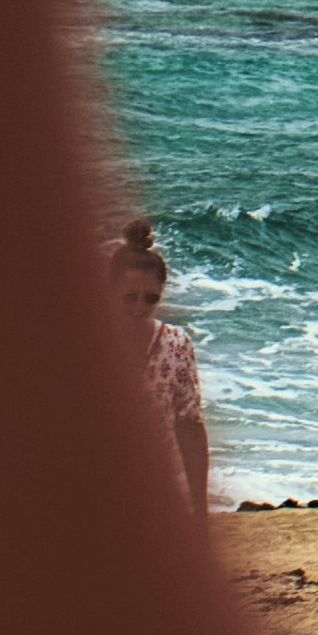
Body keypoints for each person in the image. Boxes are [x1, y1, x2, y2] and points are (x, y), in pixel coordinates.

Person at [108, 214, 211, 510]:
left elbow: (190, 428)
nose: (140, 307)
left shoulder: (176, 345)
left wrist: (199, 512)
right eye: (129, 297)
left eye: (151, 298)